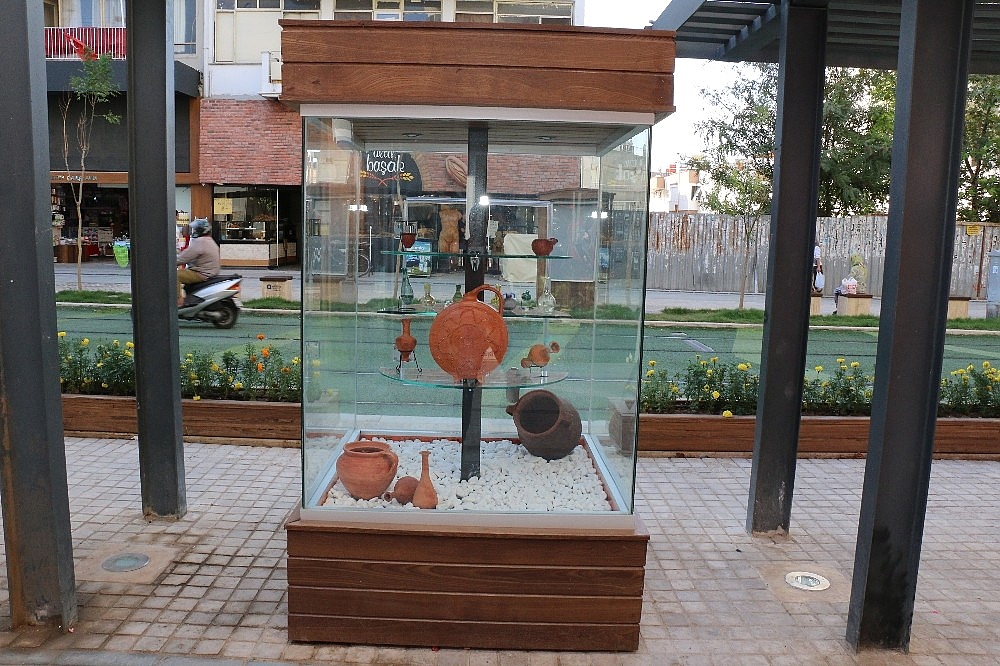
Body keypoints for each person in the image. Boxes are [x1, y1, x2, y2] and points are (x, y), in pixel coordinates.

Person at [176, 218, 220, 307]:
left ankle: (178, 301)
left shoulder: (200, 242)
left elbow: (183, 258)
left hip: (202, 273)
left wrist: (170, 261)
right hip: (210, 272)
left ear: (200, 231)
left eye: (195, 229)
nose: (194, 231)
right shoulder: (209, 240)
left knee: (174, 275)